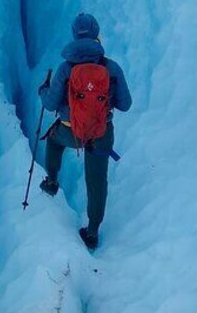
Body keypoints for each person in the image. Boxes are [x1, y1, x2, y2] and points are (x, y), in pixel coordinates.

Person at [38, 13, 132, 250]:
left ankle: (51, 180)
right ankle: (92, 232)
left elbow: (49, 104)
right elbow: (125, 104)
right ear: (96, 35)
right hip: (101, 133)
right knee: (97, 180)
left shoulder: (65, 69)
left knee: (53, 139)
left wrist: (43, 90)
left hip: (71, 132)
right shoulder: (111, 68)